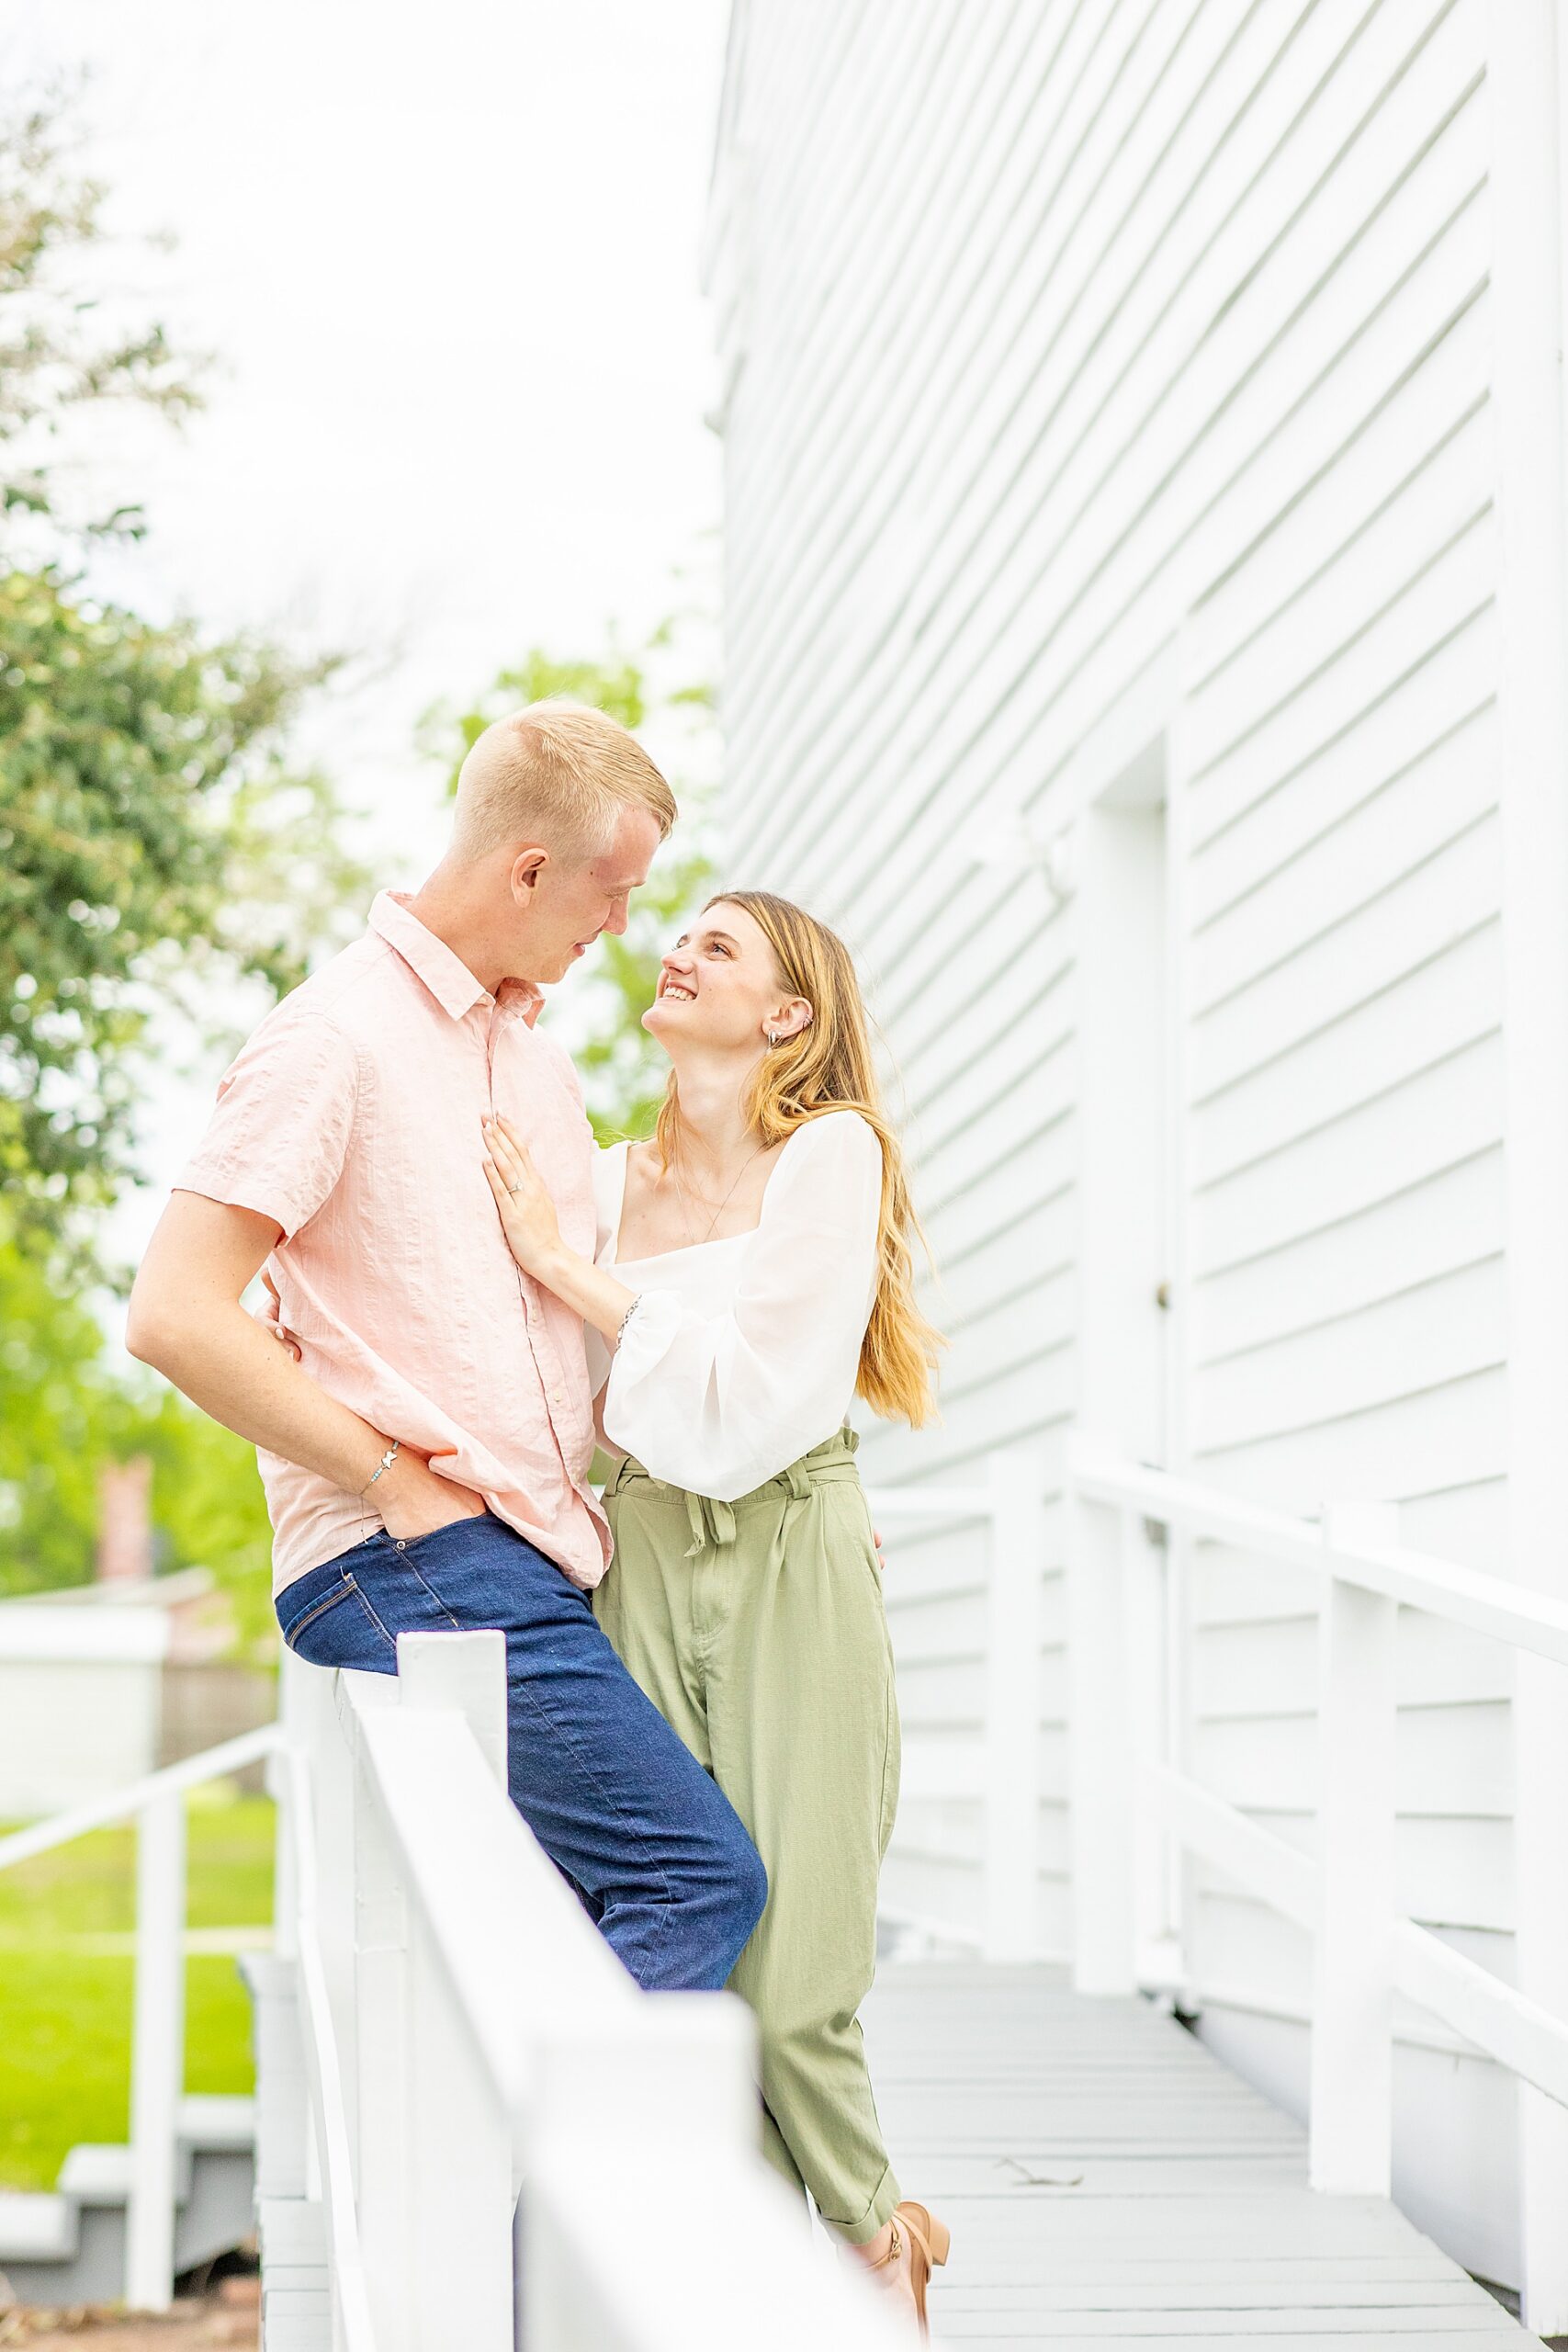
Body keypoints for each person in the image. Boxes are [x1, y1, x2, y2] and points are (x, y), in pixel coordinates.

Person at [126, 703, 766, 1994]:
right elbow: (175, 1315)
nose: (623, 929)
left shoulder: (533, 1063)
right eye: (614, 892)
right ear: (530, 872)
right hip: (414, 1551)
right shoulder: (336, 1036)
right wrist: (390, 1483)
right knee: (694, 1875)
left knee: (556, 1926)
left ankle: (532, 2199)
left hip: (528, 1550)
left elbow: (582, 1324)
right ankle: (587, 2206)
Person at [478, 888, 950, 2332]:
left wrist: (570, 1273)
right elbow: (608, 1409)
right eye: (674, 933)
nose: (676, 950)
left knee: (799, 1977)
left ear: (788, 1015)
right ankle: (742, 2307)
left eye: (719, 944)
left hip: (797, 1554)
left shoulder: (833, 1156)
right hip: (640, 1553)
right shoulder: (605, 1180)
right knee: (704, 1978)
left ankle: (877, 2240)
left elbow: (752, 1420)